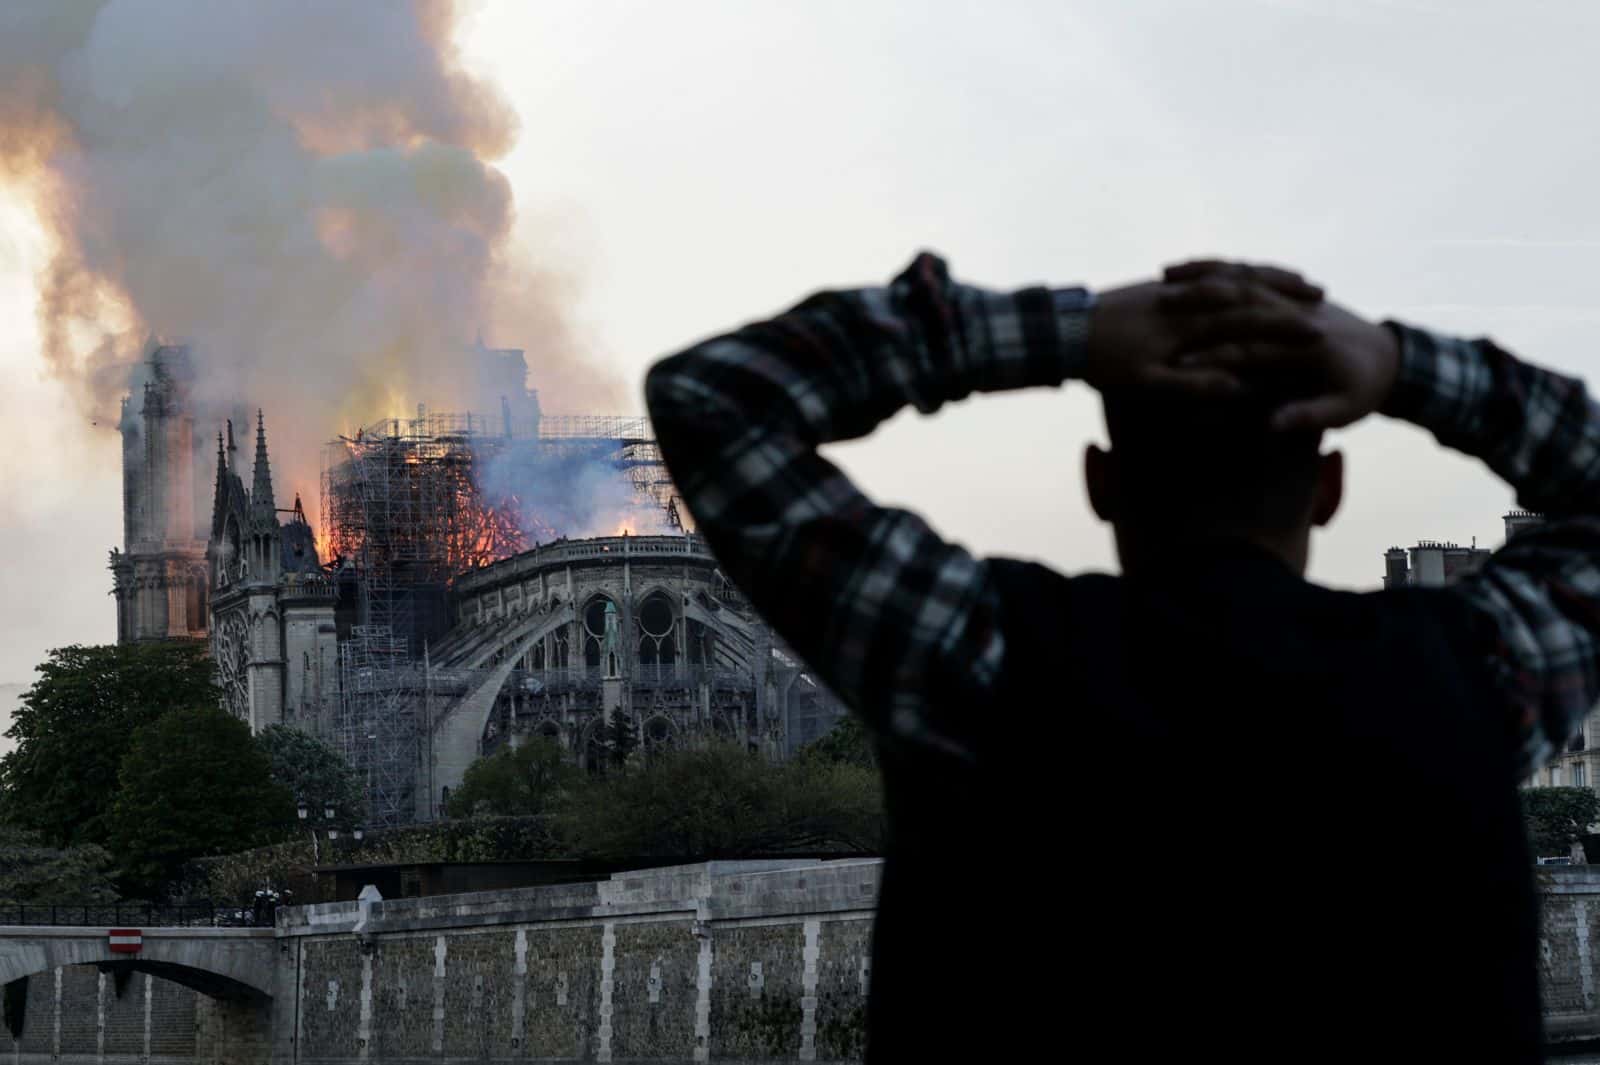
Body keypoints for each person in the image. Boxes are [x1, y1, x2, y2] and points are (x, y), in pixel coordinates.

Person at [644, 253, 1600, 1062]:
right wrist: (1399, 364)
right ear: (1330, 488)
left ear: (1099, 482)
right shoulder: (1476, 678)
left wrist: (1072, 332)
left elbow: (714, 395)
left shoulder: (975, 654)